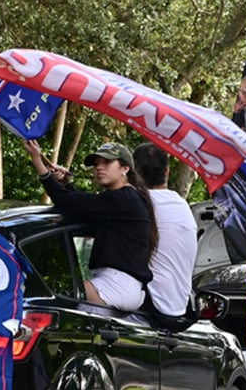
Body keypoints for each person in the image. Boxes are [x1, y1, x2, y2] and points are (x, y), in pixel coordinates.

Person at [23, 139, 157, 311]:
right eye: (96, 164)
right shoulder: (124, 199)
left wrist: (37, 161)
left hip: (117, 284)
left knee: (52, 297)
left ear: (125, 168)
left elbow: (67, 201)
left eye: (107, 162)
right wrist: (66, 183)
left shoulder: (124, 199)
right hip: (118, 283)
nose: (99, 167)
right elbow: (81, 208)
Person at [134, 143, 198, 326]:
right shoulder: (182, 206)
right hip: (179, 311)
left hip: (149, 311)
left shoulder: (139, 205)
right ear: (167, 172)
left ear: (134, 174)